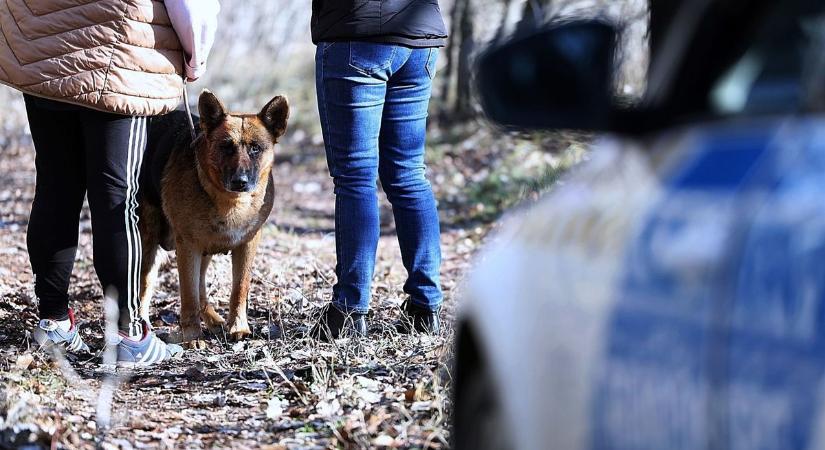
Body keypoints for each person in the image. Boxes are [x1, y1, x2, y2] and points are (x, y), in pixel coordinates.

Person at [0, 0, 219, 365]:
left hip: (43, 48)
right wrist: (195, 56)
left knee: (55, 187)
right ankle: (128, 334)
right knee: (116, 197)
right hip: (120, 55)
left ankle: (53, 322)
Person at [310, 0, 449, 339]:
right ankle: (425, 306)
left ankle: (349, 309)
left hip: (356, 32)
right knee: (409, 174)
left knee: (356, 177)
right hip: (419, 41)